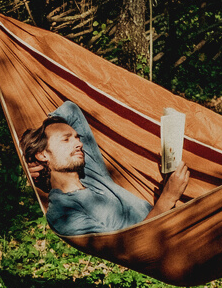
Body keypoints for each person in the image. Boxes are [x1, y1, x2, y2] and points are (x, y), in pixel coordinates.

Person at [20, 100, 190, 236]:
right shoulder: (62, 211)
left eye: (77, 138)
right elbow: (130, 248)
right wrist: (168, 198)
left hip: (180, 220)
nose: (79, 143)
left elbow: (70, 110)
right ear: (42, 155)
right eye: (66, 140)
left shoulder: (90, 174)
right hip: (171, 238)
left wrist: (27, 151)